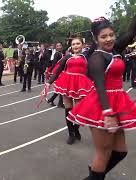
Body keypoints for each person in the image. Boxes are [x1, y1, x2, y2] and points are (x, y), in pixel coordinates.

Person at [67, 16, 136, 180]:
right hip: (103, 105)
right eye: (104, 36)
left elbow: (131, 32)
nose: (109, 39)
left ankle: (94, 176)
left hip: (117, 102)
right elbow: (99, 86)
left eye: (111, 35)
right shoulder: (96, 58)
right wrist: (108, 113)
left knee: (120, 152)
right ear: (95, 39)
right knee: (103, 153)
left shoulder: (114, 50)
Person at [46, 35, 94, 145]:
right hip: (67, 83)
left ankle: (76, 129)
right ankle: (71, 134)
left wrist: (95, 31)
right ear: (71, 46)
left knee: (79, 110)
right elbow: (58, 70)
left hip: (80, 84)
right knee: (68, 108)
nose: (75, 46)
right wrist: (49, 82)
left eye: (78, 43)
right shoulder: (67, 57)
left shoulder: (87, 56)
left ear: (83, 45)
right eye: (73, 44)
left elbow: (95, 45)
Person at [46, 42, 65, 107]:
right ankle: (58, 102)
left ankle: (55, 101)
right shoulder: (57, 54)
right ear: (56, 47)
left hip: (61, 72)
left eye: (60, 45)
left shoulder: (61, 53)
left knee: (61, 87)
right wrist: (51, 71)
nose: (59, 47)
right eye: (57, 46)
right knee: (61, 87)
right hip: (58, 72)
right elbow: (54, 63)